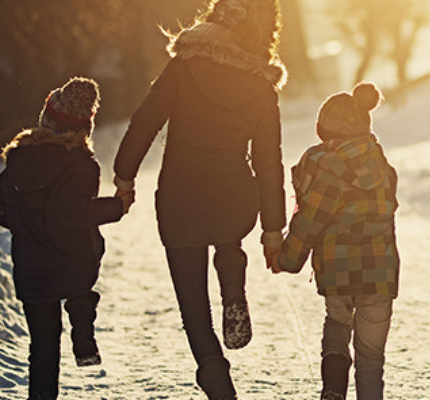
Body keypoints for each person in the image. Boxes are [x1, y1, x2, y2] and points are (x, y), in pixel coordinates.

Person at [111, 0, 287, 398]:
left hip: (180, 198)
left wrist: (124, 177)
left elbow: (144, 123)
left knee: (191, 297)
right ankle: (233, 279)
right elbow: (268, 164)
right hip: (234, 199)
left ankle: (212, 370)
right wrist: (273, 232)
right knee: (228, 235)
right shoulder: (261, 87)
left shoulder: (184, 68)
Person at [0, 77, 133, 400]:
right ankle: (83, 329)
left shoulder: (20, 160)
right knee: (80, 282)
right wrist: (116, 206)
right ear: (83, 129)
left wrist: (25, 224)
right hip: (70, 262)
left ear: (45, 119)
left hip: (31, 270)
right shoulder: (80, 165)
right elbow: (72, 213)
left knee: (43, 347)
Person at [275, 82, 399, 400]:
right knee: (372, 359)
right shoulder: (383, 168)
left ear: (324, 129)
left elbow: (311, 219)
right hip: (380, 273)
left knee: (337, 325)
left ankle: (333, 391)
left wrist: (287, 258)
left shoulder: (327, 165)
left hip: (338, 270)